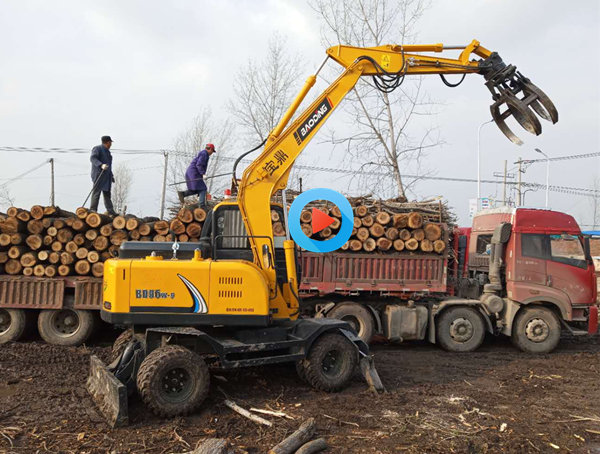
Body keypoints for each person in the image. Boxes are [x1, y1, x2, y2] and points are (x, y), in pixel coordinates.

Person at [178, 143, 216, 207]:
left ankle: (183, 194)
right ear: (210, 149)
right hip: (194, 174)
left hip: (191, 173)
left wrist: (201, 175)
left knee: (196, 189)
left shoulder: (203, 153)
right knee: (203, 189)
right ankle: (201, 206)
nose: (212, 153)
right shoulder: (204, 154)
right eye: (212, 151)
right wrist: (203, 174)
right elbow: (199, 164)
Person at [89, 135, 117, 216]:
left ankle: (110, 211)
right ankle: (93, 209)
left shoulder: (108, 153)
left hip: (106, 176)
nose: (111, 144)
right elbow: (92, 158)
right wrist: (101, 165)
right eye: (110, 142)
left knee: (107, 194)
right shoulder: (97, 149)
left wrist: (111, 176)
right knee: (96, 192)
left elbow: (109, 166)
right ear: (108, 142)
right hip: (99, 174)